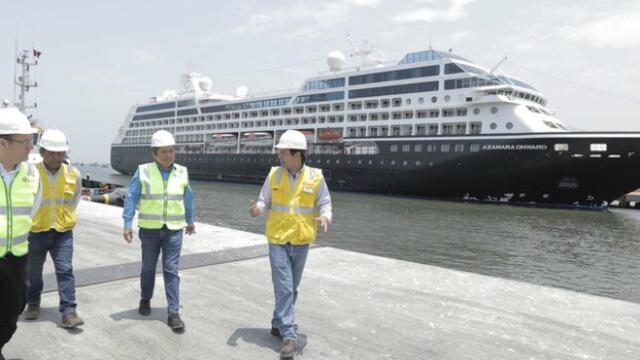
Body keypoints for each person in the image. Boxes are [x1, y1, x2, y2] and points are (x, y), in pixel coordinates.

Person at [248, 129, 332, 358]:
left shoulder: (316, 177)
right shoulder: (274, 174)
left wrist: (326, 217)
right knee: (284, 286)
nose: (279, 156)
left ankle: (277, 322)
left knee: (291, 288)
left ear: (297, 154)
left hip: (301, 239)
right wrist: (258, 209)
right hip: (277, 239)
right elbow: (264, 200)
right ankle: (289, 335)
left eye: (283, 152)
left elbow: (325, 202)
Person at [122, 130, 195, 331]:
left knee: (171, 270)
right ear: (154, 154)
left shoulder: (181, 171)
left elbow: (187, 198)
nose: (168, 155)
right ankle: (145, 298)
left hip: (173, 230)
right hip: (150, 230)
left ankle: (173, 313)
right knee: (148, 267)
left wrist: (190, 220)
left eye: (171, 151)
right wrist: (127, 223)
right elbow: (131, 197)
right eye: (163, 152)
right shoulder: (143, 171)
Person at [23, 129, 84, 328]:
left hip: (62, 232)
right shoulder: (30, 173)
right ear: (42, 152)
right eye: (52, 152)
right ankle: (33, 303)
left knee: (65, 270)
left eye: (60, 153)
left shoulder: (74, 174)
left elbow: (74, 200)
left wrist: (62, 218)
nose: (56, 157)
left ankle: (69, 312)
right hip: (36, 231)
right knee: (33, 272)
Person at [0, 108, 41, 360]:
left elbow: (33, 208)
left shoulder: (31, 173)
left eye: (31, 141)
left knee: (13, 311)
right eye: (24, 142)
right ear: (2, 142)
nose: (30, 148)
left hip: (16, 258)